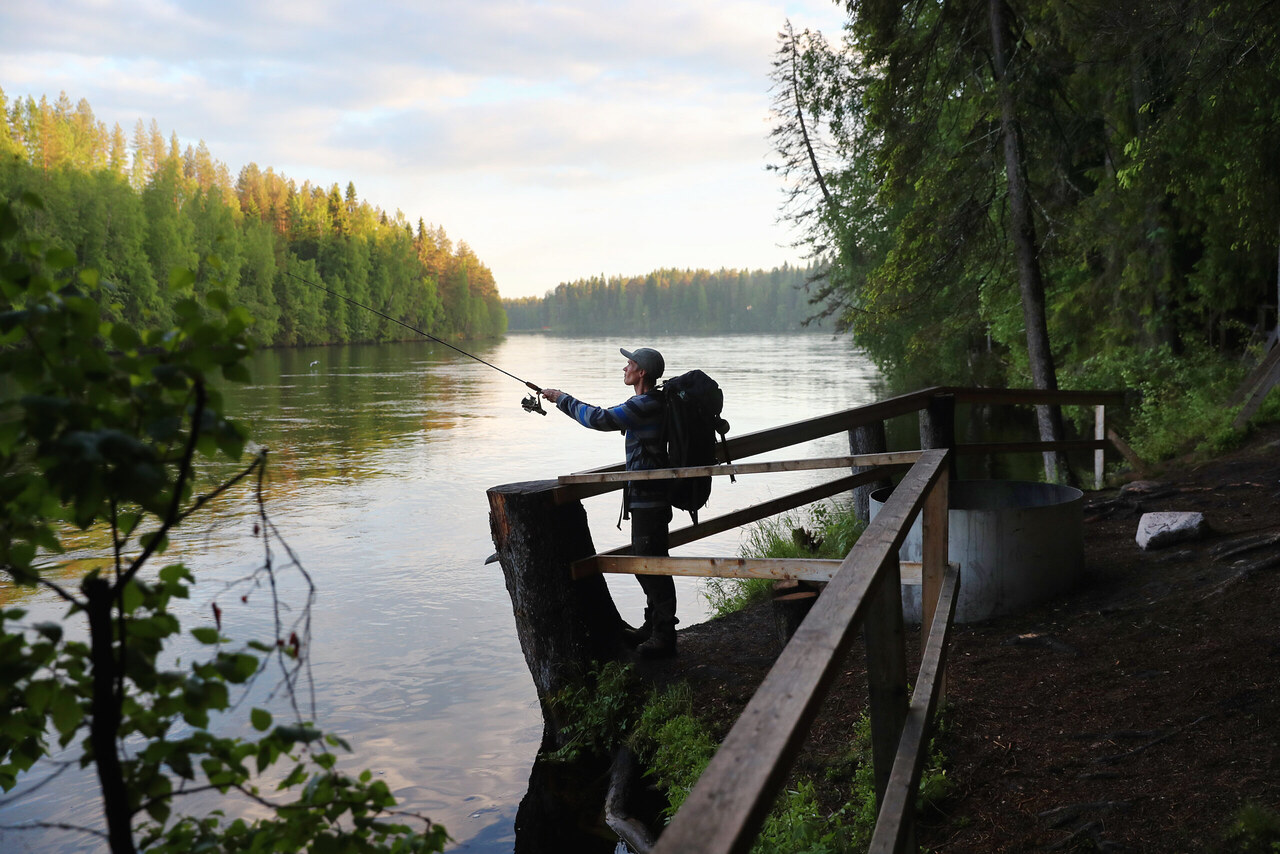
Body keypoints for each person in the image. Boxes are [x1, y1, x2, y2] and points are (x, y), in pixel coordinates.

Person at [541, 347, 678, 658]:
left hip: (650, 499)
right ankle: (653, 625)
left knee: (650, 564)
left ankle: (664, 635)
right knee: (648, 561)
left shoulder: (644, 405)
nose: (625, 368)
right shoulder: (652, 402)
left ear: (642, 372)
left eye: (629, 364)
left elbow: (599, 419)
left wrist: (561, 397)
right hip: (650, 497)